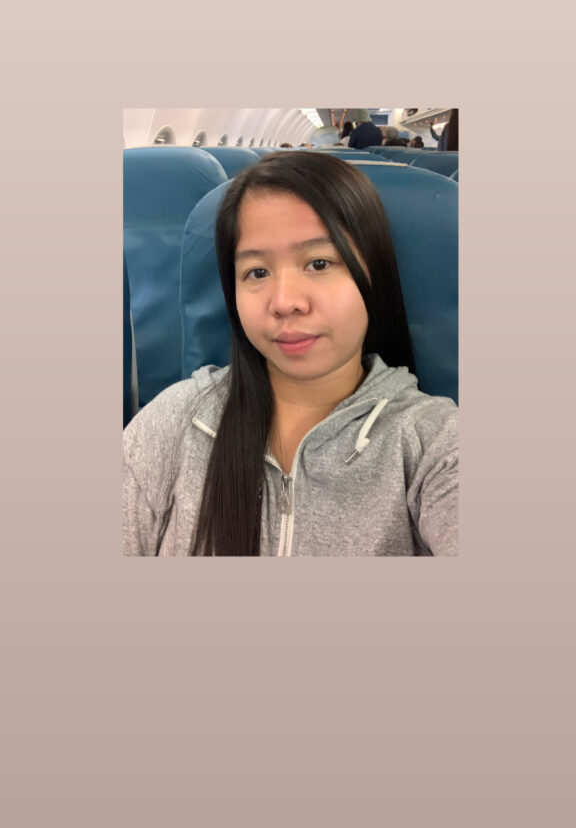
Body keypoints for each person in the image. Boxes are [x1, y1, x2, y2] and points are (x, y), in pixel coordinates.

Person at [123, 152, 458, 557]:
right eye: (257, 272)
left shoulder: (432, 441)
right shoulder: (173, 423)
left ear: (373, 273)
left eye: (318, 263)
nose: (284, 302)